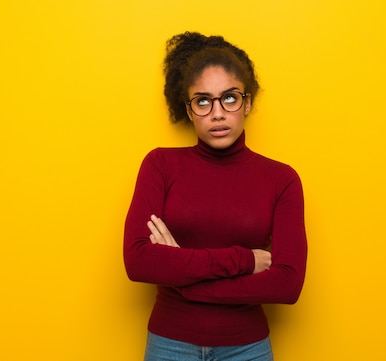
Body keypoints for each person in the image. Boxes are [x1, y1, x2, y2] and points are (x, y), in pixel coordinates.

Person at [123, 32, 308, 361]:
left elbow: (288, 284)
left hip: (246, 347)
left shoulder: (282, 179)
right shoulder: (161, 165)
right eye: (203, 101)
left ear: (247, 103)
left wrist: (182, 277)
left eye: (230, 98)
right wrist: (245, 260)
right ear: (189, 109)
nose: (218, 113)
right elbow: (138, 261)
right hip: (170, 344)